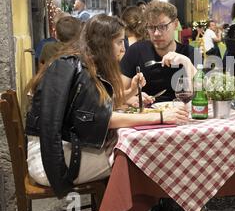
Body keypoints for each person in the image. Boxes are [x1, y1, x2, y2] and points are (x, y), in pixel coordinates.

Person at [24, 14, 188, 197]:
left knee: (140, 152)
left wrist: (131, 91)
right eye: (119, 42)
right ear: (102, 43)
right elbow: (103, 119)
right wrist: (161, 117)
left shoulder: (82, 62)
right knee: (137, 159)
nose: (123, 48)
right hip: (49, 161)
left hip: (66, 148)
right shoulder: (67, 65)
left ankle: (148, 209)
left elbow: (90, 109)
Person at [120, 1, 197, 103]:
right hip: (147, 115)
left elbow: (202, 96)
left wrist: (186, 62)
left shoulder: (190, 52)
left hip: (182, 114)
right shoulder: (136, 51)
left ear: (175, 24)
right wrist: (133, 98)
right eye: (151, 27)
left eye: (162, 26)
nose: (156, 33)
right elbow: (118, 95)